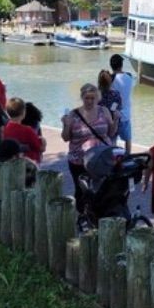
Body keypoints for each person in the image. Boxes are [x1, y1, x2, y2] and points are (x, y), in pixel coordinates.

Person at [61, 83, 117, 214]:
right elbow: (65, 138)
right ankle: (82, 215)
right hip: (79, 160)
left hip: (102, 159)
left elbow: (111, 133)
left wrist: (116, 121)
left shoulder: (104, 111)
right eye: (87, 98)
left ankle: (98, 215)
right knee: (82, 189)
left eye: (93, 98)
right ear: (82, 97)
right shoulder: (73, 114)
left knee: (102, 188)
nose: (90, 101)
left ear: (97, 97)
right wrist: (66, 125)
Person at [3, 97, 46, 164]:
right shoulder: (27, 130)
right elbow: (40, 148)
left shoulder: (5, 128)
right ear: (23, 113)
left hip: (13, 162)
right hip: (29, 163)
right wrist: (43, 141)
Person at [109, 54, 134, 153]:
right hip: (126, 115)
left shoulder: (110, 79)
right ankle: (128, 156)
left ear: (111, 65)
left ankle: (112, 157)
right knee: (128, 139)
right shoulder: (129, 77)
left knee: (112, 140)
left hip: (112, 115)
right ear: (121, 65)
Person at [97, 69, 122, 140]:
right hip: (113, 126)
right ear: (110, 81)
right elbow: (118, 108)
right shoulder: (115, 94)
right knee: (112, 146)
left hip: (99, 127)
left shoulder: (95, 95)